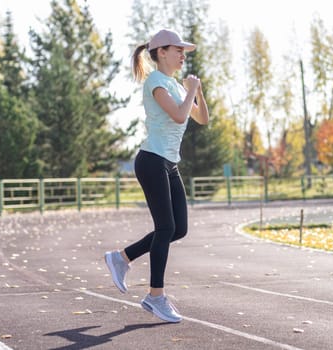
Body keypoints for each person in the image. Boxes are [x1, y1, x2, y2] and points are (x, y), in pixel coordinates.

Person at [104, 29, 209, 323]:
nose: (183, 55)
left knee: (178, 229)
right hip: (151, 160)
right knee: (165, 227)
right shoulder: (155, 82)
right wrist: (189, 92)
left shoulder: (176, 85)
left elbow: (202, 118)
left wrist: (196, 91)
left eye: (184, 51)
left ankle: (121, 258)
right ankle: (155, 297)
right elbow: (178, 115)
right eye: (178, 50)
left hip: (169, 163)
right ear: (161, 52)